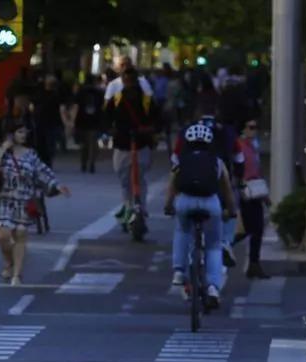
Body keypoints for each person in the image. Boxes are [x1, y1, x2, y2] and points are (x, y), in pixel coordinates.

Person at [164, 121, 238, 310]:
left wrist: (168, 205)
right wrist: (231, 210)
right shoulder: (217, 162)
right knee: (213, 246)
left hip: (185, 201)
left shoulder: (181, 161)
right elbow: (227, 190)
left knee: (182, 231)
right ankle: (213, 287)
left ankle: (179, 271)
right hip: (210, 203)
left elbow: (173, 185)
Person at [0, 120, 70, 286]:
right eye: (19, 132)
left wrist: (57, 185)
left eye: (24, 132)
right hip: (4, 200)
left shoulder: (31, 154)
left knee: (20, 235)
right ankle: (9, 262)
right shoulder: (1, 151)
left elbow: (43, 171)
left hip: (24, 200)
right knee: (3, 237)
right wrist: (4, 147)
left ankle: (17, 275)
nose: (23, 135)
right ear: (10, 134)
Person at [104, 67, 156, 224]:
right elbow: (106, 117)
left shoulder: (147, 100)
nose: (129, 84)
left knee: (139, 178)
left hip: (141, 144)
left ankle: (141, 207)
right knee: (124, 180)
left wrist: (149, 129)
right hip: (122, 145)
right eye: (126, 80)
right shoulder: (117, 98)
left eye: (132, 80)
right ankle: (128, 206)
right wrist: (111, 130)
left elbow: (157, 119)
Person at [236, 118, 271, 279]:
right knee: (245, 229)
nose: (254, 130)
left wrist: (265, 196)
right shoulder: (239, 147)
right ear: (243, 129)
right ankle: (221, 250)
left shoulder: (252, 147)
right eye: (251, 127)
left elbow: (258, 171)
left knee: (256, 228)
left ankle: (254, 264)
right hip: (244, 192)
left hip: (255, 191)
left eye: (256, 127)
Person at [35, 74, 70, 168]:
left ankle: (45, 163)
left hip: (46, 123)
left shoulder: (42, 94)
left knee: (45, 144)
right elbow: (62, 109)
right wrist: (66, 122)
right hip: (47, 123)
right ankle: (46, 163)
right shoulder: (55, 95)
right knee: (47, 145)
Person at [72, 76, 105, 173]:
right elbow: (103, 108)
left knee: (84, 144)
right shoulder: (99, 93)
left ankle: (83, 163)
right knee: (93, 143)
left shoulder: (80, 92)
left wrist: (73, 122)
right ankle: (92, 163)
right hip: (94, 121)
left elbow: (75, 107)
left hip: (82, 121)